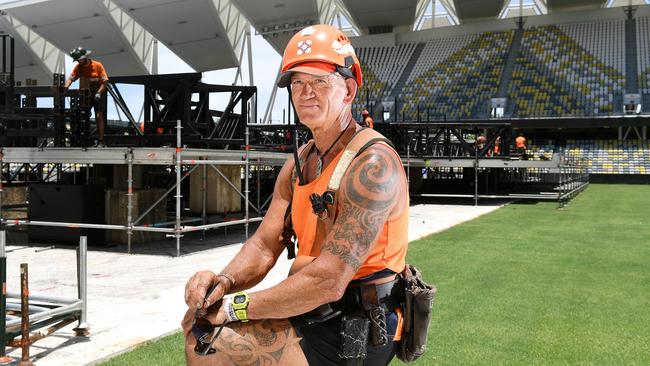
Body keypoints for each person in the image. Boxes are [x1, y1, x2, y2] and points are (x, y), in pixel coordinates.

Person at [182, 24, 409, 366]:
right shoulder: (301, 161)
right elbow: (264, 245)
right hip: (318, 307)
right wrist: (222, 282)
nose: (306, 93)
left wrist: (233, 307)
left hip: (360, 321)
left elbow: (330, 281)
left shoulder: (373, 165)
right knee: (197, 327)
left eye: (319, 81)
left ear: (348, 90)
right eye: (298, 83)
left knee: (215, 343)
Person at [64, 46, 109, 147]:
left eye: (79, 60)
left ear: (85, 58)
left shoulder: (98, 65)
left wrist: (98, 93)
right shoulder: (78, 67)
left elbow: (105, 82)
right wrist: (65, 87)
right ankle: (85, 139)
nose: (78, 62)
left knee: (99, 116)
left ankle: (101, 141)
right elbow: (71, 78)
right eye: (77, 60)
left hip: (98, 93)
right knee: (83, 115)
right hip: (86, 94)